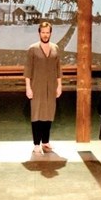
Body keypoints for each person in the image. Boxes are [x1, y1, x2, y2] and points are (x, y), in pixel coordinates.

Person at [24, 21, 62, 155]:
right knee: (37, 114)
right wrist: (28, 88)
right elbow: (28, 70)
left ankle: (45, 141)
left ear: (50, 33)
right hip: (37, 86)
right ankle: (36, 143)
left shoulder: (55, 48)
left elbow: (58, 69)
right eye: (43, 32)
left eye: (47, 32)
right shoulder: (33, 49)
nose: (45, 35)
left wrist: (59, 86)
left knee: (48, 113)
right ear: (39, 33)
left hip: (51, 86)